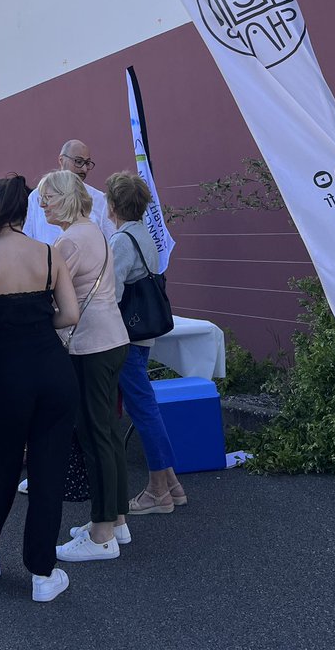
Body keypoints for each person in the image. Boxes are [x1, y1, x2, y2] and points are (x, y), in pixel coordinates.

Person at [0, 176, 79, 602]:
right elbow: (70, 314)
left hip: (8, 376)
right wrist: (35, 326)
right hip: (53, 369)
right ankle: (43, 575)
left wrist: (4, 330)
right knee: (48, 471)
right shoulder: (49, 254)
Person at [37, 171, 131, 563]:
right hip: (109, 339)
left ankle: (102, 532)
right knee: (106, 433)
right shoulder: (91, 230)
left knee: (95, 437)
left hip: (90, 345)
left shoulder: (70, 240)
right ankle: (116, 521)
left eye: (47, 198)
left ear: (64, 199)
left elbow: (48, 290)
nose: (42, 206)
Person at [107, 172, 187, 514]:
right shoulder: (145, 235)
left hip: (126, 336)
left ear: (112, 206)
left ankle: (158, 493)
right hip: (144, 334)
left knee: (144, 411)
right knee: (146, 407)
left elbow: (111, 294)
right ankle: (171, 485)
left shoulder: (122, 241)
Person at [23, 139, 116, 244]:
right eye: (78, 162)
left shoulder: (99, 199)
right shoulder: (36, 197)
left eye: (87, 163)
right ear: (61, 160)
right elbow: (28, 238)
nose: (84, 169)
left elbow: (110, 241)